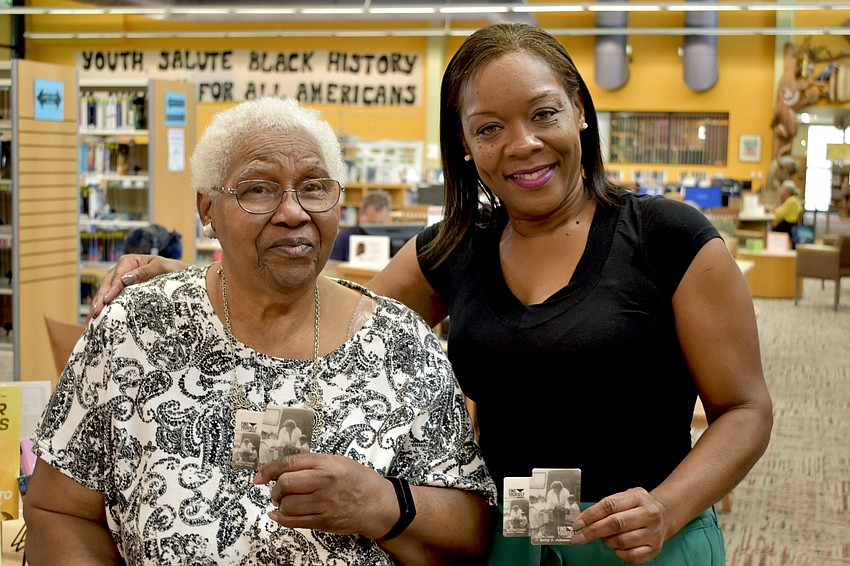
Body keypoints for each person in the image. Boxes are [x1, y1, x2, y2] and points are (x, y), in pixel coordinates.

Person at [90, 23, 773, 566]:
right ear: (466, 146)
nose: (523, 145)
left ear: (581, 115)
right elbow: (326, 313)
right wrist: (195, 281)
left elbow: (744, 409)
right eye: (489, 128)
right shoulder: (454, 248)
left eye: (544, 114)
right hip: (510, 541)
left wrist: (670, 508)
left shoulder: (666, 238)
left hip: (641, 544)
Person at [24, 96, 497, 566]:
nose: (293, 212)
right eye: (259, 190)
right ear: (207, 209)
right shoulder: (134, 330)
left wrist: (377, 502)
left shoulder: (403, 346)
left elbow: (469, 532)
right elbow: (59, 509)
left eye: (313, 187)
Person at [329, 189, 392, 261]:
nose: (376, 229)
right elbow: (332, 268)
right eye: (372, 223)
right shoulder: (342, 239)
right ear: (360, 216)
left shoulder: (392, 240)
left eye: (381, 224)